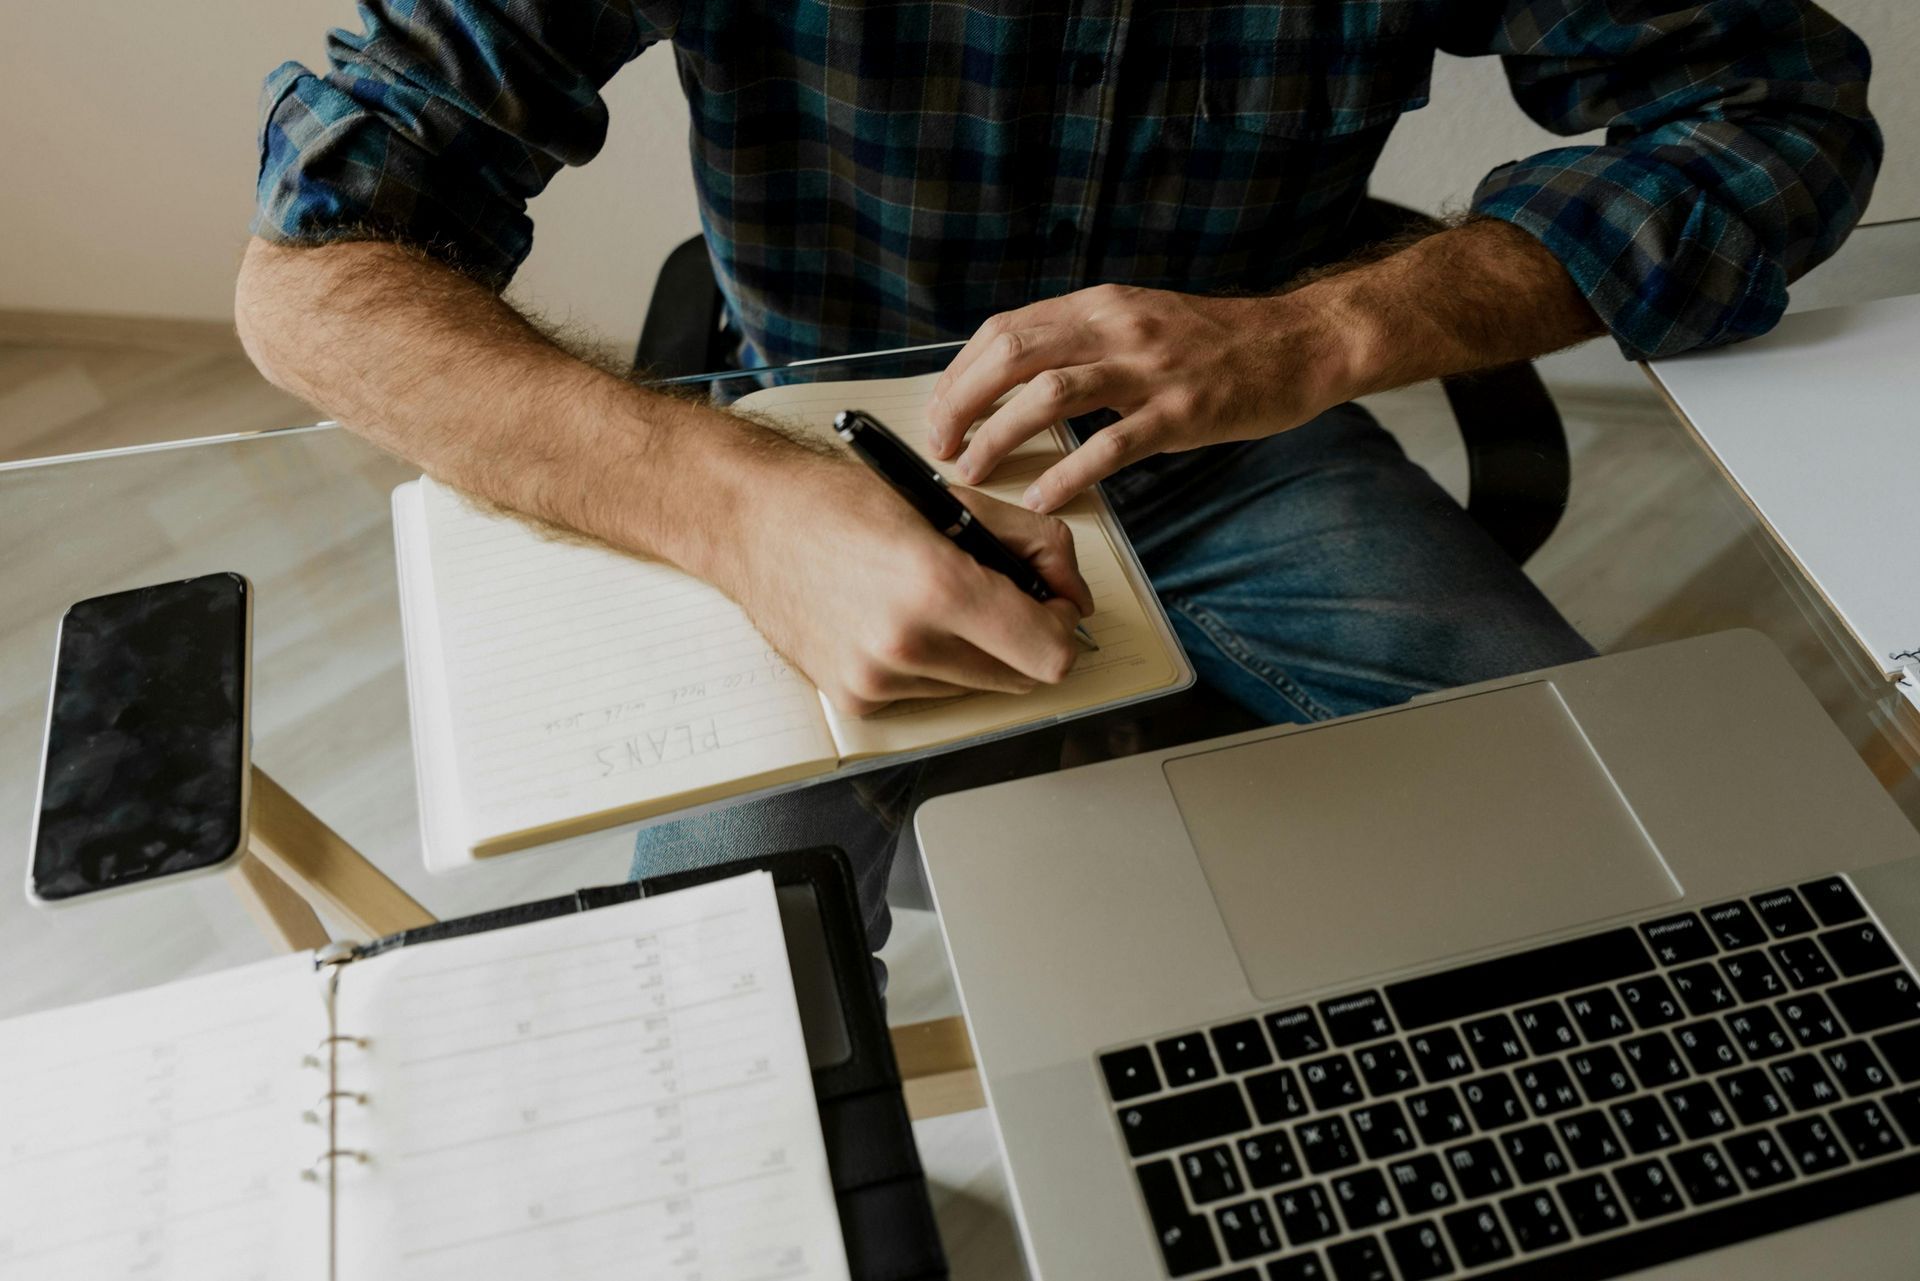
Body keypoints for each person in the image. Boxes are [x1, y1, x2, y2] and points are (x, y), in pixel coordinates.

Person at [238, 0, 1880, 952]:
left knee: (1670, 888)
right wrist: (742, 507)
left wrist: (1321, 336)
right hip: (812, 446)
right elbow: (308, 278)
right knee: (709, 993)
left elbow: (1776, 115)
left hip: (1246, 438)